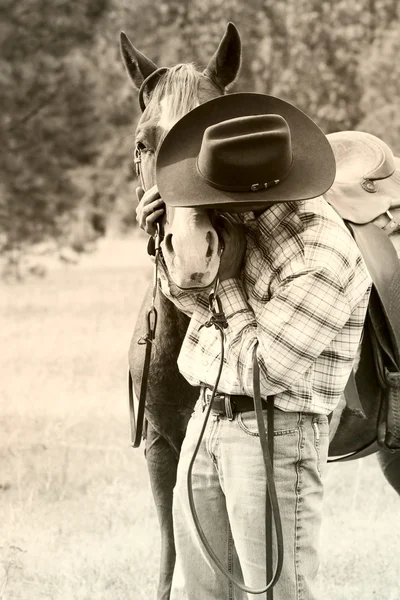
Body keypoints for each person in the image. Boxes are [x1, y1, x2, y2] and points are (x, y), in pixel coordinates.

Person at [136, 93, 372, 600]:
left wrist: (223, 285)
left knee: (275, 593)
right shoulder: (235, 219)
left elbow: (265, 369)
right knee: (199, 592)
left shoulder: (320, 254)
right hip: (206, 421)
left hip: (275, 434)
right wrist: (167, 245)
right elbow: (191, 300)